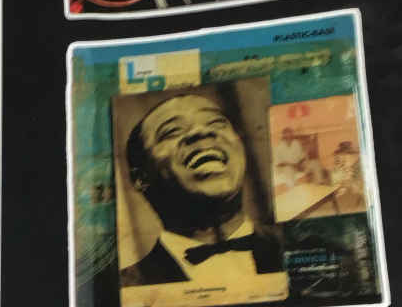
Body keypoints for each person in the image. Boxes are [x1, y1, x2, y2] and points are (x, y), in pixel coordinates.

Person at [120, 93, 283, 287]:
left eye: (216, 122)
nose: (200, 131)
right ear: (141, 178)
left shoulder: (299, 247)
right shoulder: (125, 286)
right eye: (172, 131)